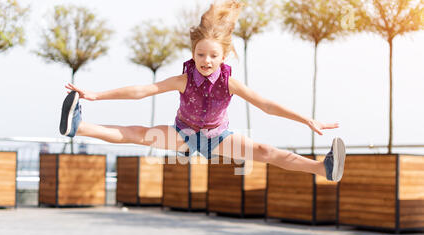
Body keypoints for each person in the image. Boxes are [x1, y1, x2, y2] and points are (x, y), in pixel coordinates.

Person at [59, 0, 346, 182]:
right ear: (193, 54)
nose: (206, 61)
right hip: (183, 134)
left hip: (217, 138)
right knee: (134, 134)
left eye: (212, 56)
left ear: (223, 57)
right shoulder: (183, 80)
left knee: (267, 151)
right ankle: (78, 126)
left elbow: (267, 106)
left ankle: (323, 169)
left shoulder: (229, 83)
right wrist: (96, 95)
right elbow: (142, 90)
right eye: (200, 55)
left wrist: (306, 120)